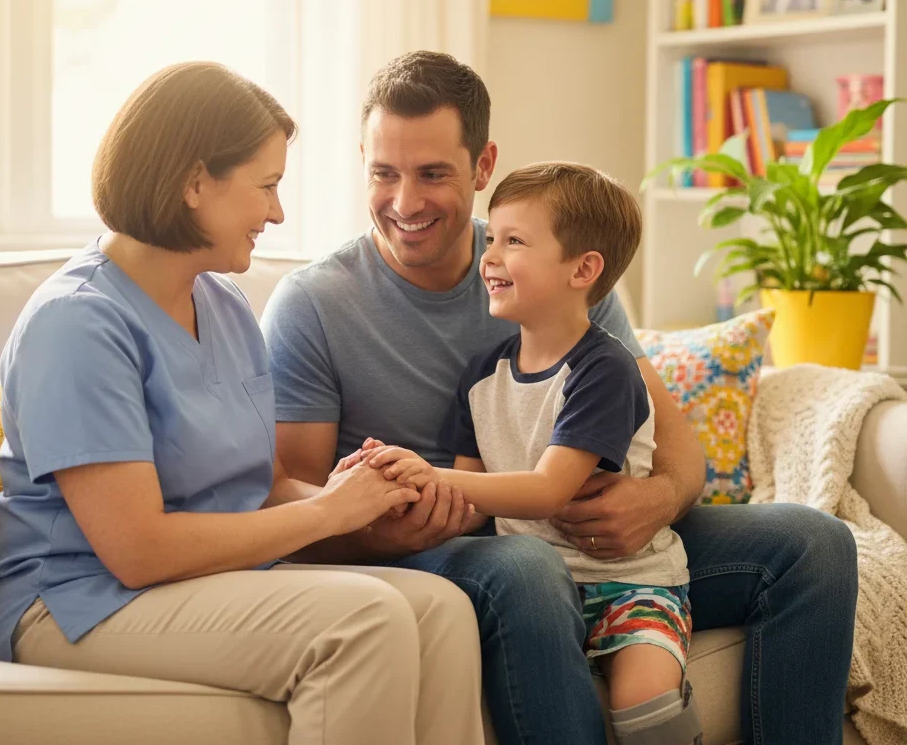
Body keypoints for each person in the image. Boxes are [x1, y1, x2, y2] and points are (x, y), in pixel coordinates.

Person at [261, 50, 858, 745]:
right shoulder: (313, 303)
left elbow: (679, 450)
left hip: (578, 533)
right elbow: (283, 490)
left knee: (814, 543)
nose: (405, 202)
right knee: (525, 565)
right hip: (453, 546)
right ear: (361, 159)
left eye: (432, 174)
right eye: (383, 173)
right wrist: (375, 530)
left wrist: (657, 500)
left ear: (483, 167)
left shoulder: (549, 266)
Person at [0, 61, 486, 745]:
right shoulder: (77, 323)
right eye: (267, 186)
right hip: (73, 600)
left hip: (195, 580)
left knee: (441, 609)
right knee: (365, 619)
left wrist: (359, 502)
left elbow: (262, 486)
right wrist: (328, 514)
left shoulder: (223, 303)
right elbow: (137, 550)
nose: (276, 212)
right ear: (195, 184)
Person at [363, 162, 702, 744]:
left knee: (644, 695)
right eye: (492, 238)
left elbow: (549, 489)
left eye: (514, 241)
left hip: (628, 586)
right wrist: (403, 485)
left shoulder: (605, 369)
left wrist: (431, 469)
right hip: (540, 594)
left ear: (583, 269)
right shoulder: (480, 378)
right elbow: (469, 504)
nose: (489, 256)